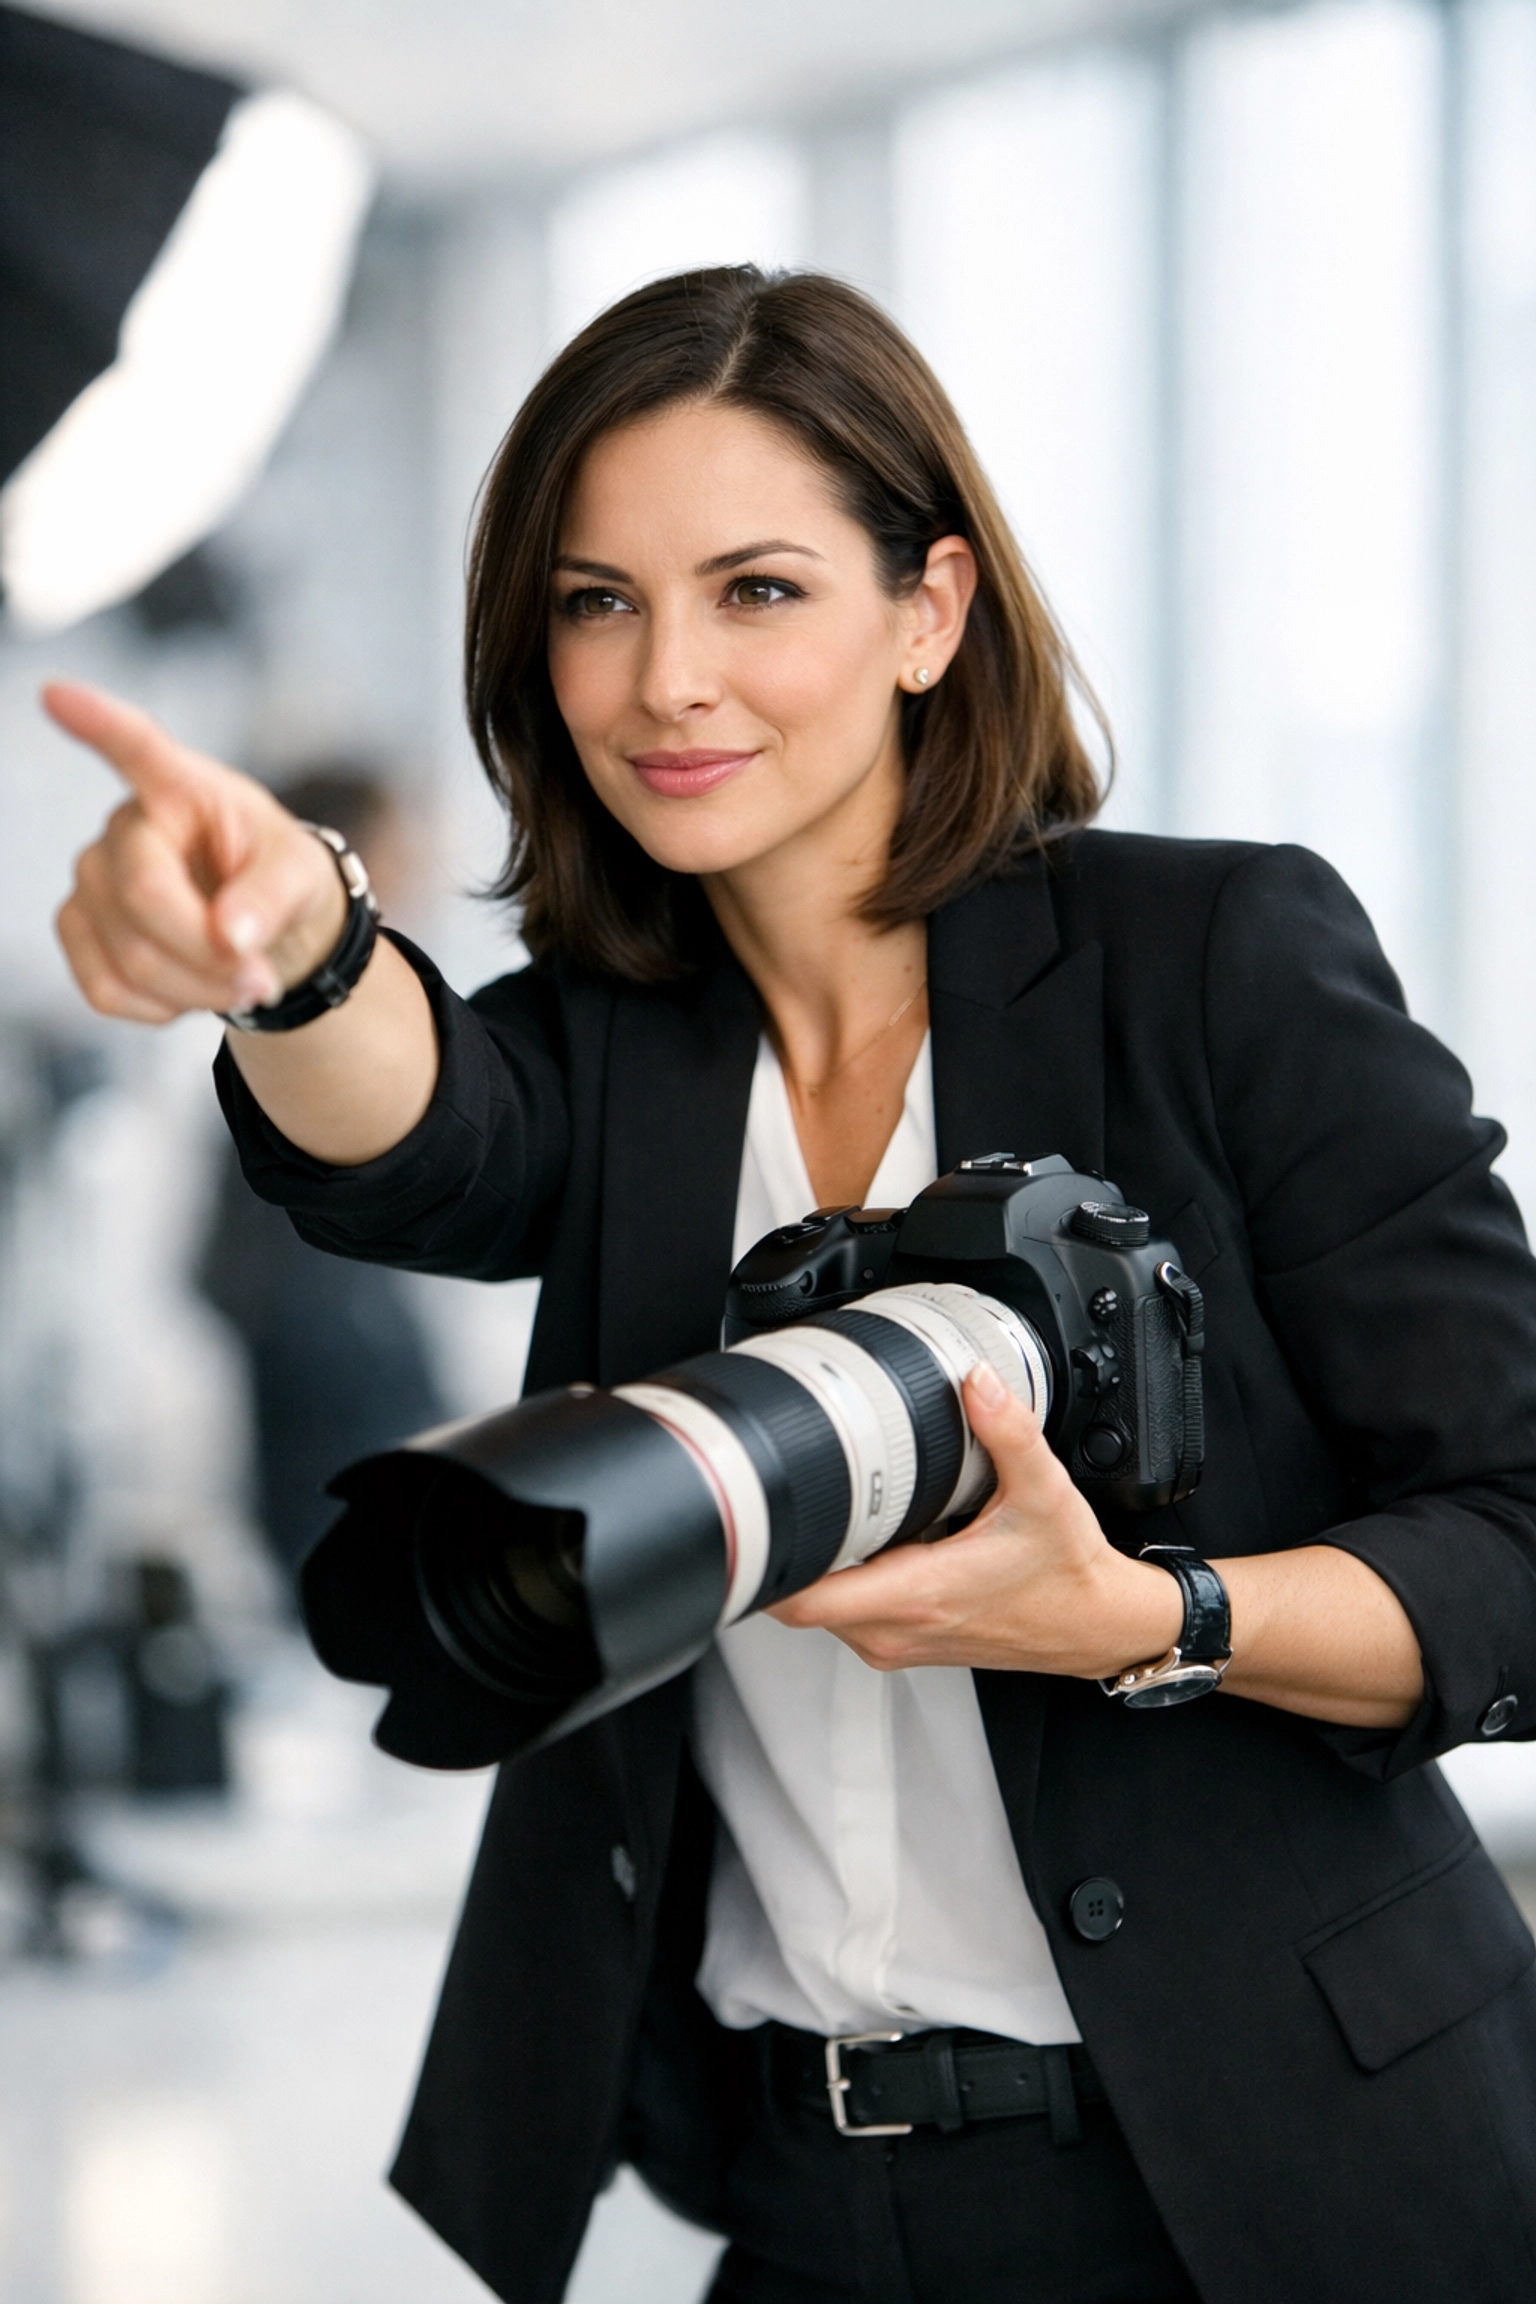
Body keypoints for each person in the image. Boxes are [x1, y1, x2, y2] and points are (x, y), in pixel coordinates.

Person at [46, 268, 1536, 2304]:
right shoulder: (622, 1045)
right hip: (809, 2200)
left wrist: (1144, 1617)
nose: (668, 680)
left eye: (757, 590)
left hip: (1286, 2175)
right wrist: (293, 945)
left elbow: (1517, 1538)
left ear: (928, 611)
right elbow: (416, 1130)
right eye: (597, 601)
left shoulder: (1214, 961)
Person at [195, 767, 444, 1593]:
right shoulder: (282, 1019)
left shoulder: (371, 1005)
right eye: (395, 853)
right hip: (326, 1391)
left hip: (349, 1376)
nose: (416, 873)